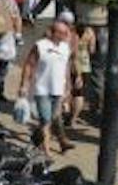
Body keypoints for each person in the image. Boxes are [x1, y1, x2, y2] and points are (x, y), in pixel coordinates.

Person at [19, 17, 76, 152]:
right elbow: (29, 65)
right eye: (61, 32)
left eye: (66, 33)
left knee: (53, 117)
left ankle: (37, 139)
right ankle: (46, 148)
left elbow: (66, 68)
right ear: (52, 32)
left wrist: (68, 87)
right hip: (41, 88)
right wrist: (24, 85)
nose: (64, 35)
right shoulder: (41, 45)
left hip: (58, 88)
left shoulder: (65, 48)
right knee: (45, 119)